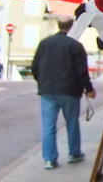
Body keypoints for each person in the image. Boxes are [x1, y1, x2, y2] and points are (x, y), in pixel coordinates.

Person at [31, 16, 96, 170]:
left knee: (48, 127)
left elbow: (34, 66)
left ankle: (49, 159)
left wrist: (41, 81)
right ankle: (74, 153)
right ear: (71, 26)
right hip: (69, 90)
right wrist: (89, 89)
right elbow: (82, 71)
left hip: (47, 90)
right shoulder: (75, 45)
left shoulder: (44, 44)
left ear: (58, 25)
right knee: (72, 122)